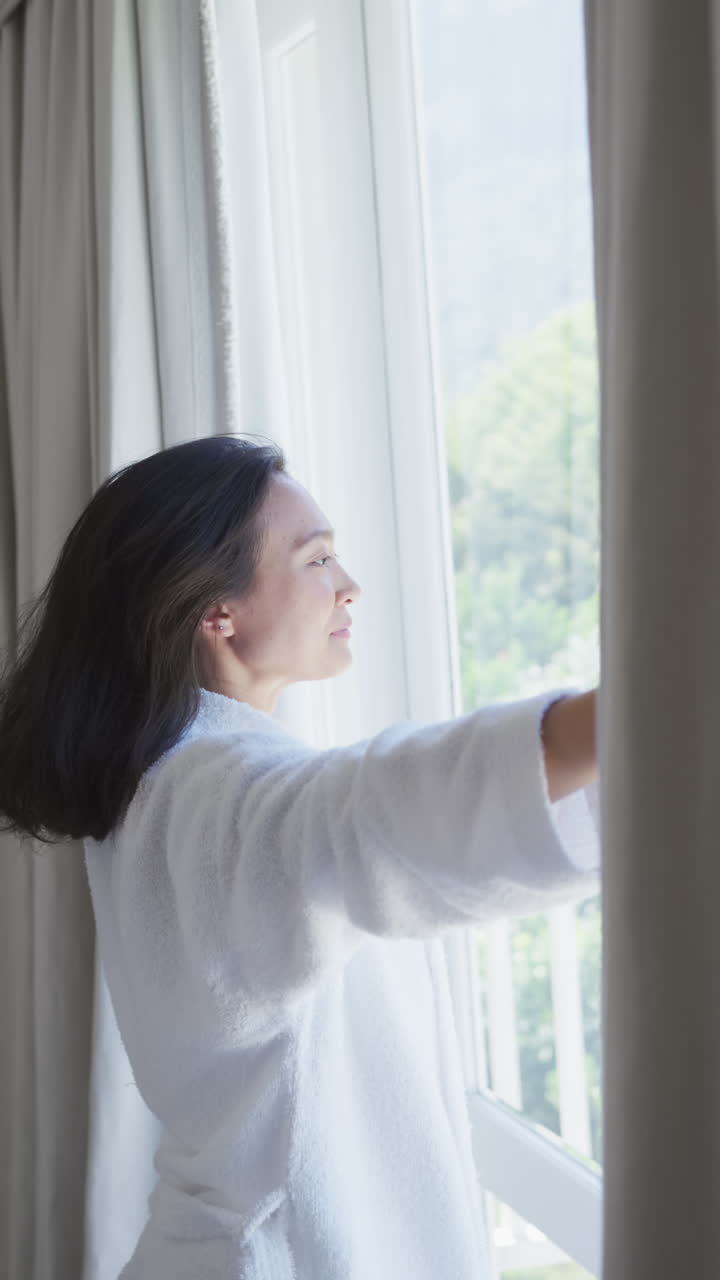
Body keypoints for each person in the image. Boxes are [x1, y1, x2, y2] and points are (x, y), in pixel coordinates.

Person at [0, 434, 600, 1279]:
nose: (349, 585)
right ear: (218, 612)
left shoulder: (168, 776)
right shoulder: (211, 797)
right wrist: (636, 710)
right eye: (317, 559)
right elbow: (368, 817)